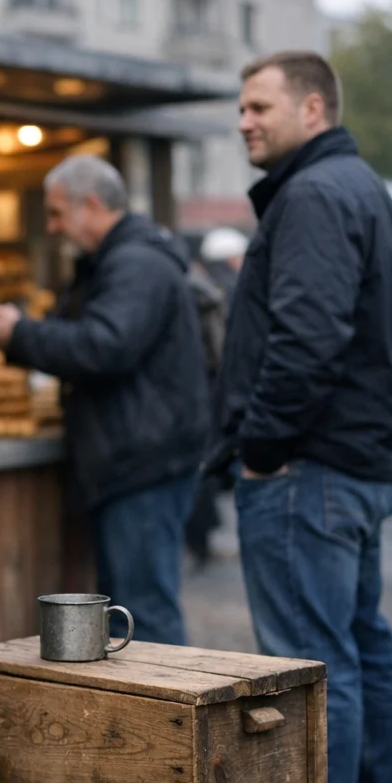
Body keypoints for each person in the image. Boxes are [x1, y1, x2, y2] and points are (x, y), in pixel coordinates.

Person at [206, 51, 392, 783]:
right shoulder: (355, 187)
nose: (244, 122)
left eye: (260, 106)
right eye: (241, 108)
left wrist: (262, 450)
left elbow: (307, 340)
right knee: (359, 648)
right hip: (350, 462)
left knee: (316, 669)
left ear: (314, 109)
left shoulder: (316, 195)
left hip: (307, 467)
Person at [0, 155, 209, 646]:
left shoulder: (136, 264)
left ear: (93, 205)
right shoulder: (110, 263)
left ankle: (166, 698)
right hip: (132, 461)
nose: (52, 228)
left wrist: (18, 334)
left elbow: (104, 346)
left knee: (144, 617)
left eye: (57, 213)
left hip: (142, 465)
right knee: (130, 614)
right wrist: (20, 330)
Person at [184, 227, 248, 565]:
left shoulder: (202, 287)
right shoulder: (224, 290)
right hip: (215, 389)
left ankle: (202, 538)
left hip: (206, 389)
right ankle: (203, 538)